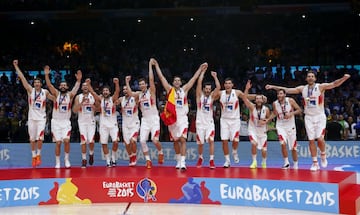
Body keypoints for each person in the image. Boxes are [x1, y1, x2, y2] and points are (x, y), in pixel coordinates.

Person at [265, 70, 350, 171]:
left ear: (315, 78)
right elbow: (287, 90)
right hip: (308, 117)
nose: (310, 78)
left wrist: (344, 78)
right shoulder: (302, 89)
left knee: (320, 139)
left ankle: (323, 155)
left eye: (312, 76)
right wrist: (272, 87)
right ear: (306, 78)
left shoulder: (320, 87)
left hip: (319, 116)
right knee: (311, 141)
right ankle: (315, 163)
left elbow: (334, 84)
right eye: (308, 76)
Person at [155, 60, 208, 170]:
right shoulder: (170, 90)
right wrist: (156, 65)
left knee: (183, 139)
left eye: (179, 80)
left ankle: (183, 162)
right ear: (173, 82)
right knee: (175, 141)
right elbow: (161, 78)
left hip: (183, 118)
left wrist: (200, 68)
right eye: (175, 80)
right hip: (172, 118)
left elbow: (193, 79)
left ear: (181, 82)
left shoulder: (184, 90)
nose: (177, 82)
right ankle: (178, 160)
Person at [125, 58, 164, 169]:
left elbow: (151, 79)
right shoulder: (138, 94)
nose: (141, 85)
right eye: (140, 84)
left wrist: (150, 66)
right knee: (142, 141)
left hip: (154, 119)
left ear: (146, 85)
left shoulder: (151, 92)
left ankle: (160, 152)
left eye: (143, 84)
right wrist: (127, 82)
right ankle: (148, 161)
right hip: (145, 120)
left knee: (155, 140)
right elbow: (131, 94)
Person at [13, 60, 53, 167]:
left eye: (38, 82)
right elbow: (22, 78)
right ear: (33, 84)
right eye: (35, 83)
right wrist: (16, 66)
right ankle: (33, 155)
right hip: (31, 118)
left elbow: (54, 98)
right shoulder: (30, 90)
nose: (37, 84)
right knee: (32, 139)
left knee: (40, 138)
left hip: (41, 118)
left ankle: (38, 155)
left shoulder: (45, 92)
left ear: (41, 84)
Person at [45, 66, 82, 168]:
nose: (63, 86)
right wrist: (47, 75)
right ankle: (57, 162)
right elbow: (49, 85)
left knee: (66, 141)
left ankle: (66, 160)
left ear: (67, 87)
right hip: (56, 122)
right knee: (58, 143)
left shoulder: (70, 96)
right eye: (61, 85)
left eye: (64, 85)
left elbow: (76, 88)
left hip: (66, 122)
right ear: (59, 86)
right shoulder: (56, 94)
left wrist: (78, 80)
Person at [212, 78, 254, 168]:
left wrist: (247, 89)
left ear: (232, 85)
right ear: (224, 85)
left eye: (229, 83)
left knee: (235, 140)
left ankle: (234, 151)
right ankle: (227, 160)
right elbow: (211, 98)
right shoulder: (220, 93)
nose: (227, 85)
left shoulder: (237, 92)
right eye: (226, 83)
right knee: (224, 141)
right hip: (224, 120)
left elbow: (245, 97)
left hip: (235, 120)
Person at [86, 78, 120, 167]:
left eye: (107, 90)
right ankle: (108, 161)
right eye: (104, 90)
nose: (105, 92)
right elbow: (93, 92)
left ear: (109, 92)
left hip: (113, 125)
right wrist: (88, 84)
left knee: (115, 141)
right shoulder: (101, 100)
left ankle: (113, 157)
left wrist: (117, 83)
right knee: (104, 143)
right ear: (102, 92)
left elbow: (117, 92)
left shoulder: (112, 99)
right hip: (103, 125)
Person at [240, 83, 271, 169]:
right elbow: (244, 98)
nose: (258, 100)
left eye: (260, 99)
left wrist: (265, 122)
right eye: (256, 99)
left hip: (262, 131)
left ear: (262, 100)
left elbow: (269, 119)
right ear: (255, 100)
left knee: (264, 150)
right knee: (254, 144)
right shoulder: (251, 107)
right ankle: (254, 161)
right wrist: (246, 89)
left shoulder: (266, 109)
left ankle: (264, 162)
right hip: (253, 129)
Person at [195, 69, 220, 169]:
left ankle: (211, 160)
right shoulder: (199, 96)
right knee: (201, 143)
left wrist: (215, 77)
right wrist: (202, 72)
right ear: (204, 89)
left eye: (209, 89)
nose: (208, 90)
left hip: (209, 123)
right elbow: (199, 83)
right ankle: (200, 158)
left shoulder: (212, 97)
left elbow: (218, 87)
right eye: (206, 89)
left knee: (211, 140)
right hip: (200, 123)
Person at [271, 89, 302, 169]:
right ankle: (286, 162)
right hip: (280, 126)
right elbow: (274, 113)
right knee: (282, 143)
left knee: (293, 148)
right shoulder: (275, 103)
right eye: (278, 94)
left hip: (290, 126)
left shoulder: (290, 101)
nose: (279, 95)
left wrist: (291, 113)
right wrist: (267, 120)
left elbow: (299, 110)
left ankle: (295, 164)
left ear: (285, 94)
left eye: (281, 93)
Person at [72, 82, 97, 168]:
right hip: (82, 121)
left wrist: (92, 106)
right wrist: (81, 103)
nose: (85, 87)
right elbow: (74, 110)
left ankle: (91, 154)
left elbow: (98, 109)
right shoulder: (78, 97)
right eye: (83, 85)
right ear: (82, 88)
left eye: (87, 85)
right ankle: (84, 159)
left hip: (91, 121)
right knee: (83, 141)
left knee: (91, 141)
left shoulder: (93, 96)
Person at [119, 82, 140, 167]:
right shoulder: (121, 99)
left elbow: (139, 93)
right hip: (125, 124)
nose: (125, 90)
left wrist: (128, 84)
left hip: (134, 123)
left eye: (126, 89)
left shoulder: (134, 98)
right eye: (124, 89)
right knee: (127, 144)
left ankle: (134, 156)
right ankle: (131, 156)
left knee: (133, 141)